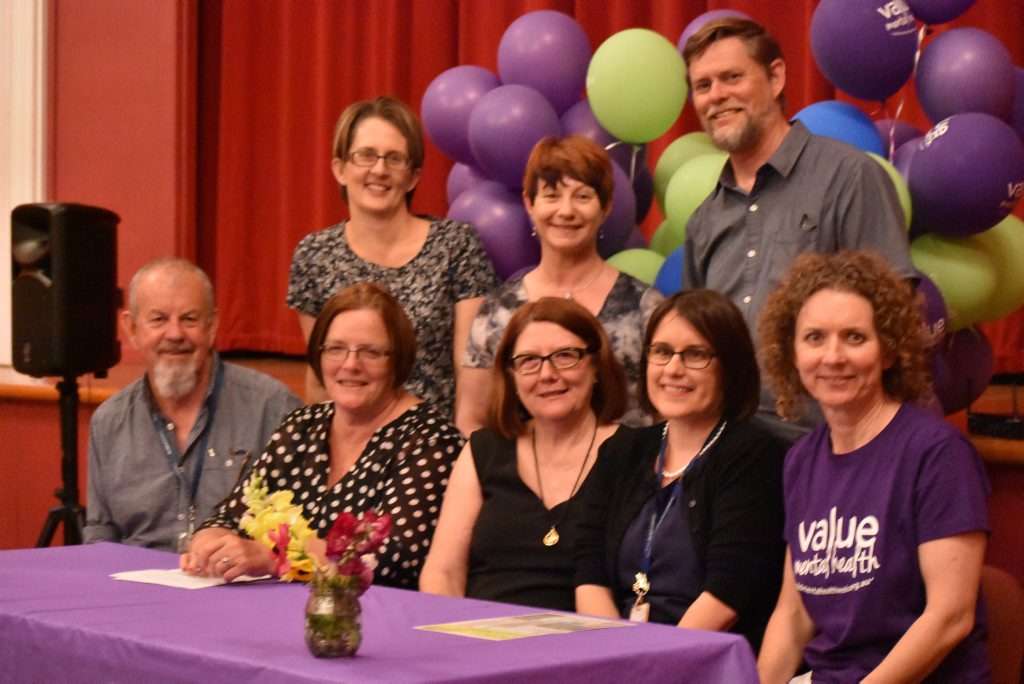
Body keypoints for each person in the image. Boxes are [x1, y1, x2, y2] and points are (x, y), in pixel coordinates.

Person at [756, 251, 990, 682]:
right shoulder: (801, 460)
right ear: (791, 353)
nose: (833, 357)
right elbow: (793, 617)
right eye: (814, 338)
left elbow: (949, 618)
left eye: (854, 337)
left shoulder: (937, 453)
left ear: (888, 351)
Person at [680, 17, 915, 442]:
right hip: (727, 452)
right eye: (703, 85)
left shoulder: (848, 177)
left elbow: (894, 320)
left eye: (732, 77)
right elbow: (693, 342)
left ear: (775, 77)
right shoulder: (704, 220)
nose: (717, 96)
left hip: (830, 446)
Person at [182, 282, 463, 588]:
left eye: (369, 351)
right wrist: (210, 545)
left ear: (398, 358)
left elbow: (389, 560)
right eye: (336, 349)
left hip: (371, 619)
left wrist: (274, 557)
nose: (350, 364)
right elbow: (231, 516)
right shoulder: (303, 425)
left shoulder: (431, 440)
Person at [574, 290, 786, 651]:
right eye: (661, 351)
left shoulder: (754, 455)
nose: (673, 368)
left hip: (703, 657)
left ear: (730, 366)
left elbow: (728, 593)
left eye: (696, 355)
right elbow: (588, 571)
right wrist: (611, 655)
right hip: (614, 653)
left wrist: (653, 665)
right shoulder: (623, 449)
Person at [287, 95, 498, 418]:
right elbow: (322, 376)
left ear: (413, 176)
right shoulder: (313, 255)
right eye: (366, 156)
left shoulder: (457, 246)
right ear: (340, 169)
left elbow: (472, 371)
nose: (380, 169)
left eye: (394, 159)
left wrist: (464, 453)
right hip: (352, 442)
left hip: (433, 445)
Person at [420, 298, 630, 611]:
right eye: (529, 361)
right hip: (483, 642)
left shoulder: (633, 452)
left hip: (590, 642)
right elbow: (442, 573)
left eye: (565, 356)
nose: (547, 373)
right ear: (512, 377)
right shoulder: (484, 449)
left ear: (596, 366)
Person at [84, 258, 301, 552]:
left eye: (189, 319)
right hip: (141, 592)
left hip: (238, 589)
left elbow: (306, 531)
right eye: (158, 319)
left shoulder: (272, 408)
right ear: (131, 328)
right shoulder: (109, 422)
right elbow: (100, 538)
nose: (175, 334)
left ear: (212, 326)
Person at [458, 135, 662, 434]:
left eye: (582, 196)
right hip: (524, 477)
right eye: (552, 196)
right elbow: (472, 419)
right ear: (530, 203)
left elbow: (666, 417)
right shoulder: (496, 313)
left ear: (605, 208)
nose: (566, 211)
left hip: (627, 477)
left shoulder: (647, 307)